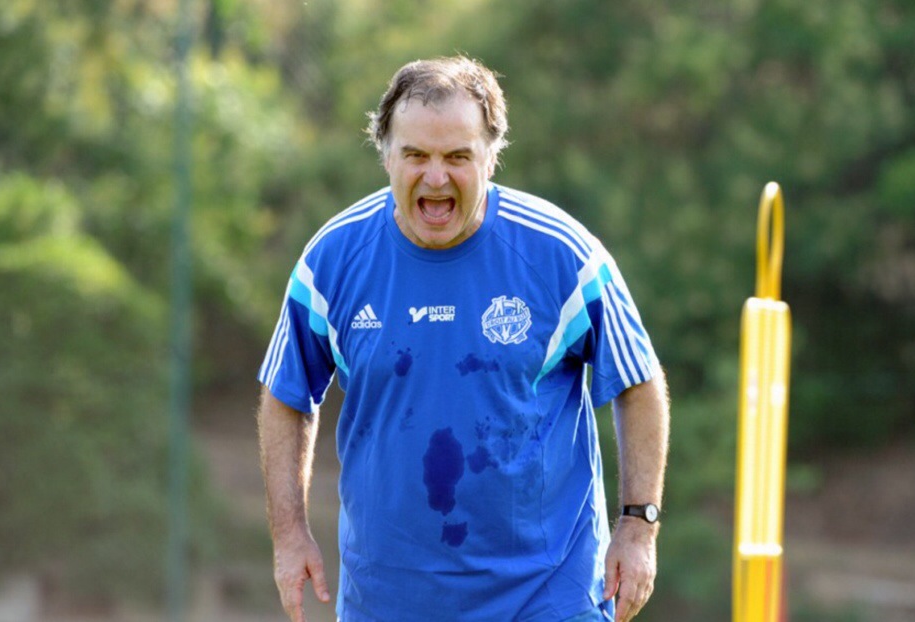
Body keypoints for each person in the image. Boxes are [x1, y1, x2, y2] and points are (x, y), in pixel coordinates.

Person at [257, 55, 670, 622]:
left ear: (491, 156)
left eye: (457, 157)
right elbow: (285, 395)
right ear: (385, 155)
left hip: (546, 596)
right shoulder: (332, 260)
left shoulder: (564, 255)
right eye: (416, 156)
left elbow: (638, 383)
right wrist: (290, 535)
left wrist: (638, 525)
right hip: (388, 601)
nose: (435, 178)